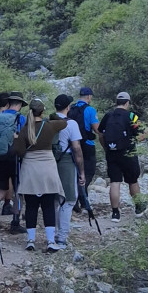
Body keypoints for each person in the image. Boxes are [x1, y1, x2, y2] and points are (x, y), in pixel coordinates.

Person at [15, 96, 67, 252]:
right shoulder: (50, 126)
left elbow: (18, 151)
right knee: (48, 206)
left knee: (31, 206)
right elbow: (64, 122)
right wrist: (52, 116)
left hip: (30, 169)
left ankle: (31, 240)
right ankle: (50, 241)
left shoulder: (25, 130)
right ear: (42, 111)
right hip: (47, 168)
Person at [97, 90, 145, 217]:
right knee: (132, 181)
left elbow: (100, 134)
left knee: (114, 182)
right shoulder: (131, 116)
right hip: (128, 153)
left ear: (116, 102)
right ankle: (139, 207)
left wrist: (106, 148)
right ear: (127, 103)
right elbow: (140, 134)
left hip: (112, 153)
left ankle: (115, 213)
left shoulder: (108, 116)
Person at [49, 91, 86, 245]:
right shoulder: (71, 124)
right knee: (69, 199)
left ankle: (54, 233)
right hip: (66, 162)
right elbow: (77, 149)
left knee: (54, 199)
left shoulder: (47, 122)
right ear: (67, 107)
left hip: (49, 161)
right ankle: (62, 236)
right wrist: (82, 172)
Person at [0, 91, 25, 233]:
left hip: (0, 156)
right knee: (18, 191)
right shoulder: (20, 118)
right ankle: (15, 222)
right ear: (20, 104)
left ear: (8, 103)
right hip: (15, 158)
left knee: (1, 187)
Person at [68, 86, 99, 206]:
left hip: (72, 144)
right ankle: (82, 195)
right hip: (87, 144)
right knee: (89, 171)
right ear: (89, 96)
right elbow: (96, 129)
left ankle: (76, 198)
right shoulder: (90, 110)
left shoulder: (71, 108)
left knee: (76, 171)